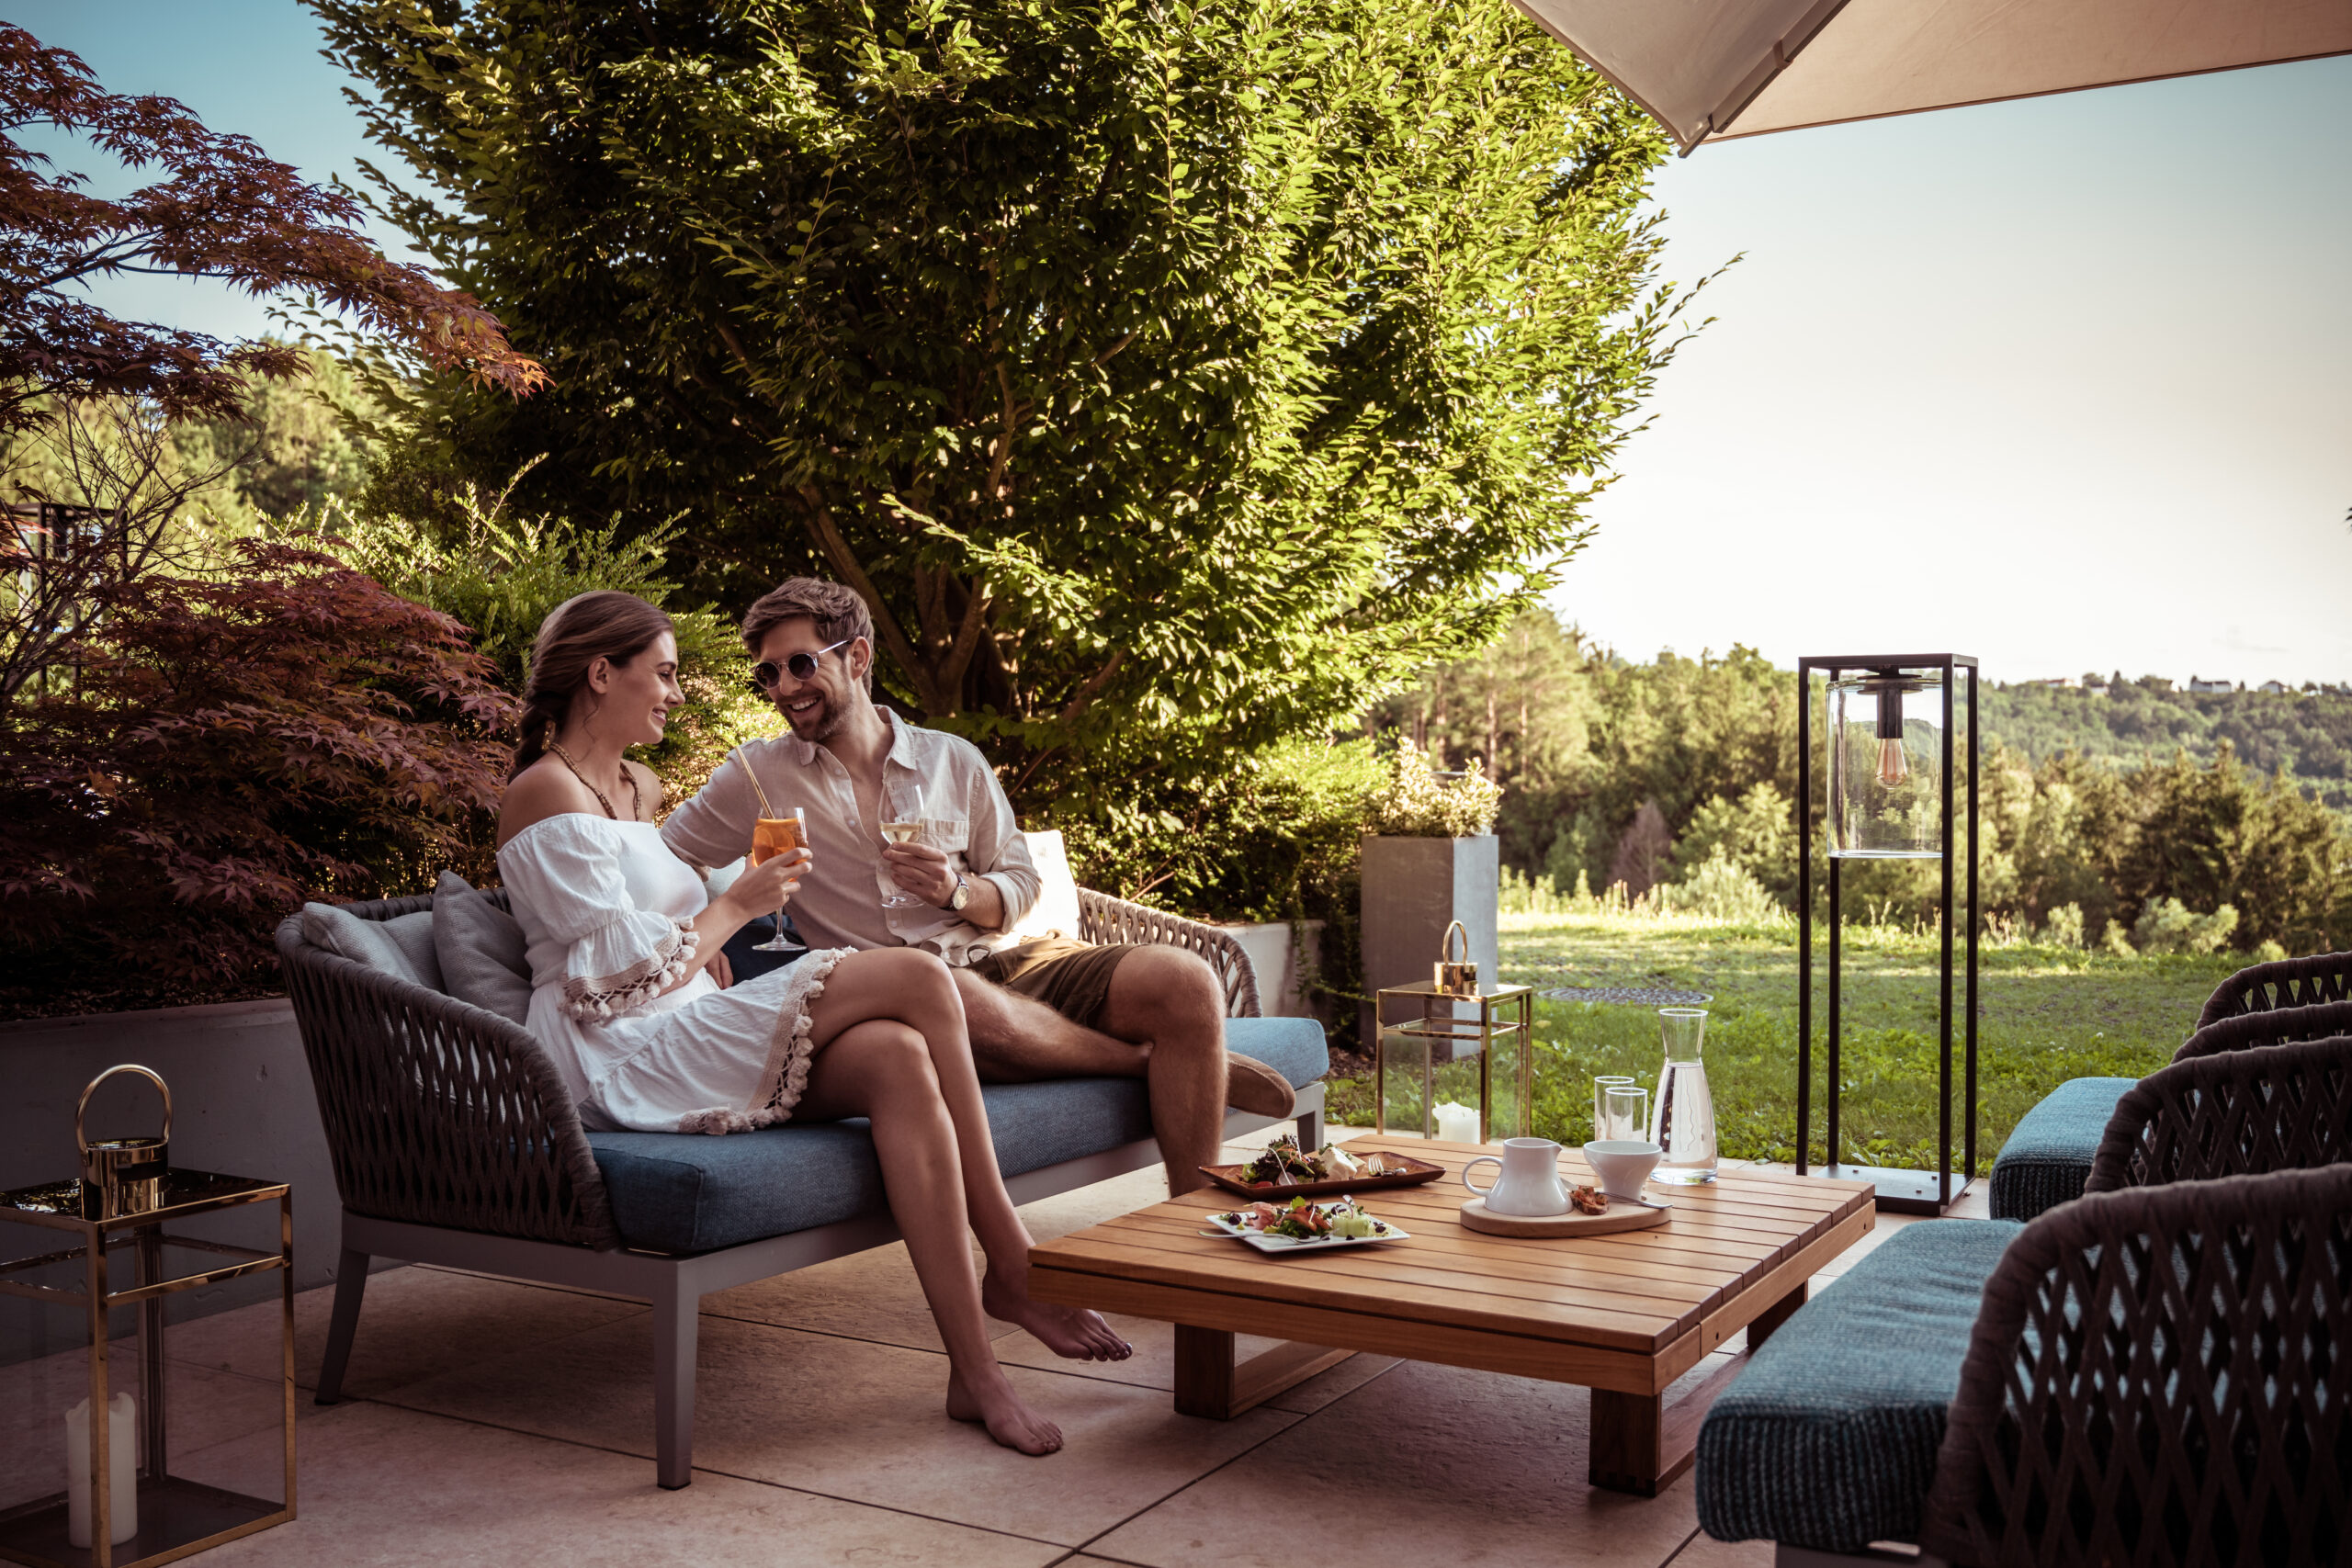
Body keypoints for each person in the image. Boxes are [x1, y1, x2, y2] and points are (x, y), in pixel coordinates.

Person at [493, 590, 1128, 1458]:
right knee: (912, 975)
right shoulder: (538, 792)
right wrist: (727, 917)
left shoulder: (635, 785)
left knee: (899, 1057)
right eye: (667, 673)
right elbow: (609, 977)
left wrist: (704, 932)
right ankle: (1012, 1258)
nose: (678, 693)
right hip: (619, 1050)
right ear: (602, 674)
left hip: (685, 1012)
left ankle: (974, 1370)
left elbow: (656, 906)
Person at [660, 578, 1297, 1197]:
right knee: (942, 983)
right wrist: (704, 923)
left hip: (1007, 961)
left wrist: (956, 891)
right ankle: (1138, 1059)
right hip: (903, 997)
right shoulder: (757, 774)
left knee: (1185, 981)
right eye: (768, 674)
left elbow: (1019, 884)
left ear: (857, 656)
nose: (784, 688)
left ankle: (1194, 1238)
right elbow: (663, 852)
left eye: (799, 664)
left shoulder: (951, 760)